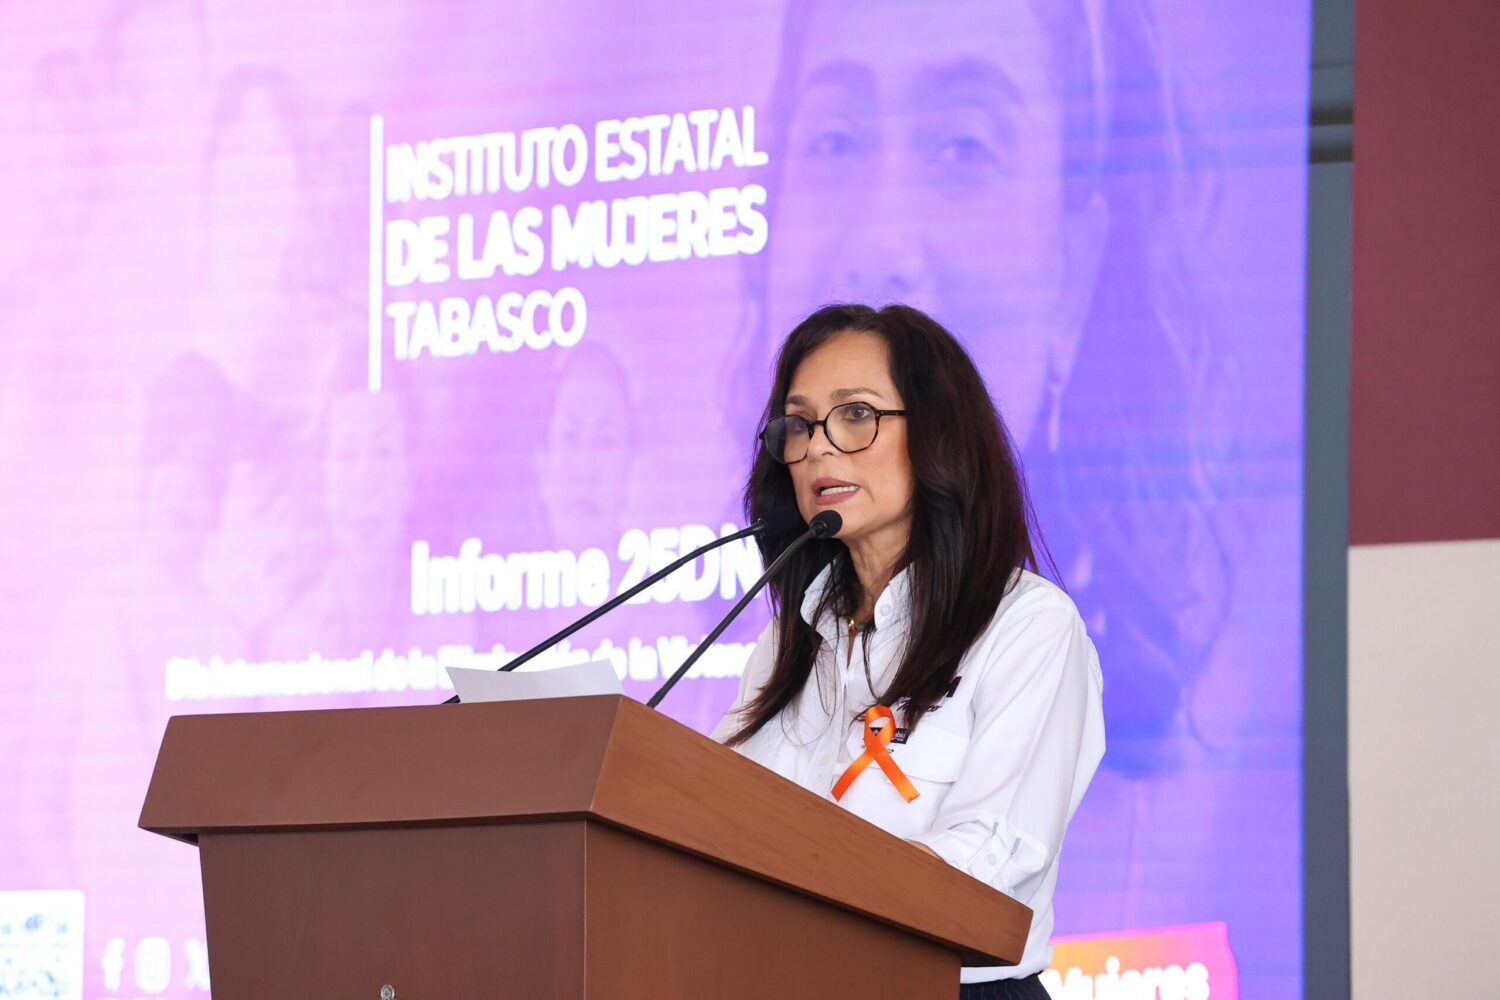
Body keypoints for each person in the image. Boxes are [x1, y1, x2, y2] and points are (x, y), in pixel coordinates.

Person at [713, 303, 1104, 998]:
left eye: (855, 415)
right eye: (799, 424)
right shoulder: (788, 643)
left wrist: (811, 906)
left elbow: (991, 864)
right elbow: (711, 823)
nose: (819, 448)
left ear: (936, 436)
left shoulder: (1025, 626)